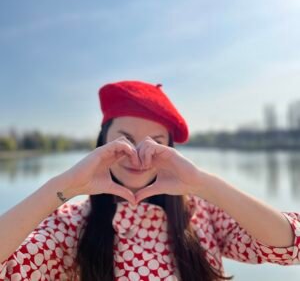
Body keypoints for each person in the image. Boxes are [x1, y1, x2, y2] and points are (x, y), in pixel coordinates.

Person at [0, 80, 299, 281]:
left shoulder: (201, 212)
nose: (139, 155)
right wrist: (61, 187)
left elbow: (292, 247)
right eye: (124, 141)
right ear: (103, 142)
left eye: (155, 142)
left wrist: (204, 184)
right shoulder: (73, 224)